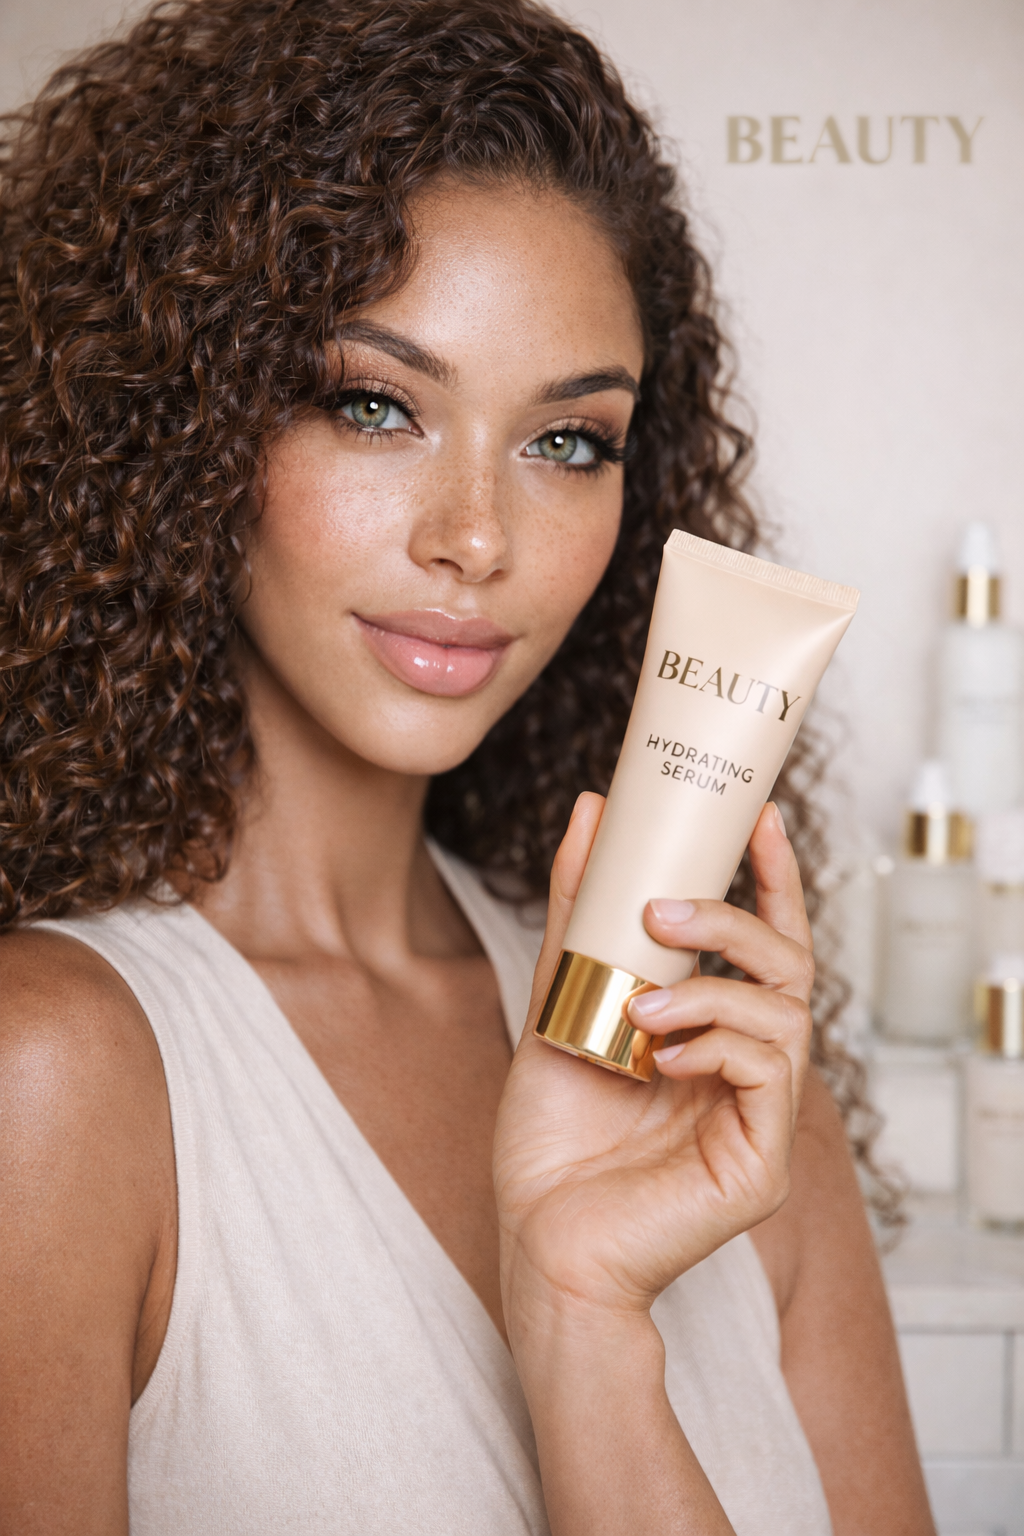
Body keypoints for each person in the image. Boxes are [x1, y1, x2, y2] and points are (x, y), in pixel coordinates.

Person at [0, 1, 934, 1532]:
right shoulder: (52, 1077)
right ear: (180, 421)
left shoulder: (716, 1064)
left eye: (569, 442)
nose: (479, 539)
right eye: (375, 406)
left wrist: (582, 1318)